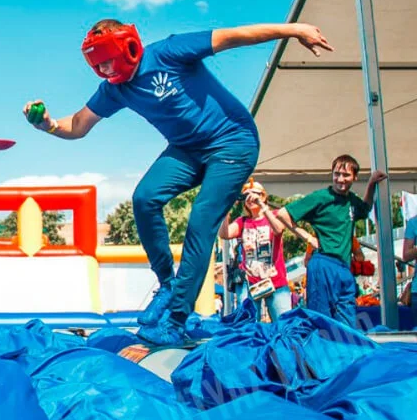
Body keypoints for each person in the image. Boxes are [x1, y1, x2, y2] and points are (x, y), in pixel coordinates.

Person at [23, 20, 333, 345]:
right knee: (144, 198)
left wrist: (295, 29)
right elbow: (78, 124)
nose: (102, 69)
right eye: (96, 64)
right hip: (188, 150)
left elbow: (233, 37)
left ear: (127, 47)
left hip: (233, 142)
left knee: (201, 221)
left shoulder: (168, 52)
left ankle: (175, 319)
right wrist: (48, 124)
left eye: (106, 60)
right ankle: (167, 285)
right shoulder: (115, 88)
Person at [274, 155, 387, 327]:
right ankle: (320, 350)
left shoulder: (351, 201)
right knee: (321, 320)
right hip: (323, 262)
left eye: (346, 175)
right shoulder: (321, 197)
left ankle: (346, 351)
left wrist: (371, 183)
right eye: (337, 174)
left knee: (347, 322)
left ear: (354, 177)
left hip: (344, 267)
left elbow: (365, 209)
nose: (340, 179)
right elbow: (283, 213)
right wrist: (308, 237)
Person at [218, 179, 293, 321]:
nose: (250, 198)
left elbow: (278, 229)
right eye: (246, 195)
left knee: (284, 323)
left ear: (263, 196)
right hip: (250, 282)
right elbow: (224, 234)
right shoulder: (243, 221)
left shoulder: (275, 215)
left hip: (275, 282)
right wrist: (227, 209)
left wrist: (262, 205)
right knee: (248, 324)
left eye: (255, 194)